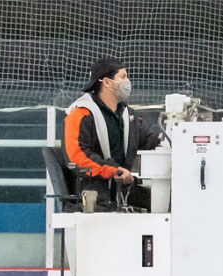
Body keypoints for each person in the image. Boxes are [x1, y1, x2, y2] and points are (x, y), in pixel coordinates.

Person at [64, 57, 161, 210]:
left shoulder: (128, 115)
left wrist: (162, 141)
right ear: (107, 82)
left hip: (122, 192)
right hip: (94, 195)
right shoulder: (81, 113)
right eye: (122, 77)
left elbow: (148, 140)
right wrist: (113, 171)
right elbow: (78, 155)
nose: (127, 82)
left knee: (163, 204)